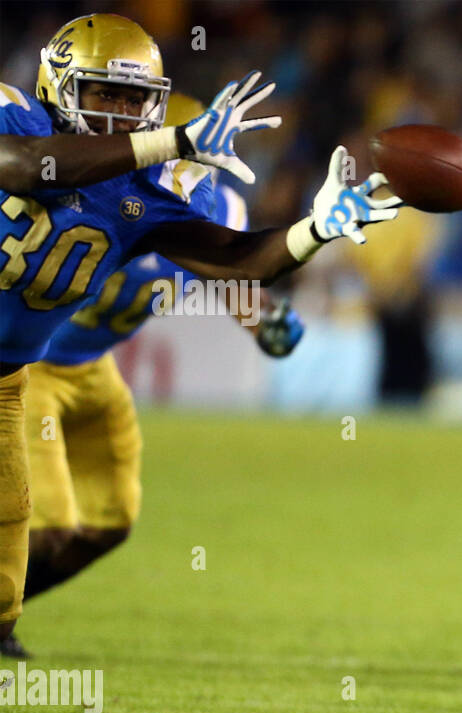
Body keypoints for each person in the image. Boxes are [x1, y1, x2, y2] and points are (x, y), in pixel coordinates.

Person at [0, 14, 401, 656]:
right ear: (60, 84)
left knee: (6, 596)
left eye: (137, 102)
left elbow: (239, 262)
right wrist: (173, 140)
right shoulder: (15, 115)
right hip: (42, 374)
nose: (123, 116)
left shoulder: (146, 195)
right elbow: (23, 166)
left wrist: (315, 230)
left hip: (9, 380)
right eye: (107, 95)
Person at [9, 94, 305, 655]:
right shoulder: (91, 194)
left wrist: (263, 318)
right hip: (35, 365)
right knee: (48, 525)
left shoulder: (211, 209)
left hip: (94, 367)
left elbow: (234, 277)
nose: (188, 173)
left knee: (108, 524)